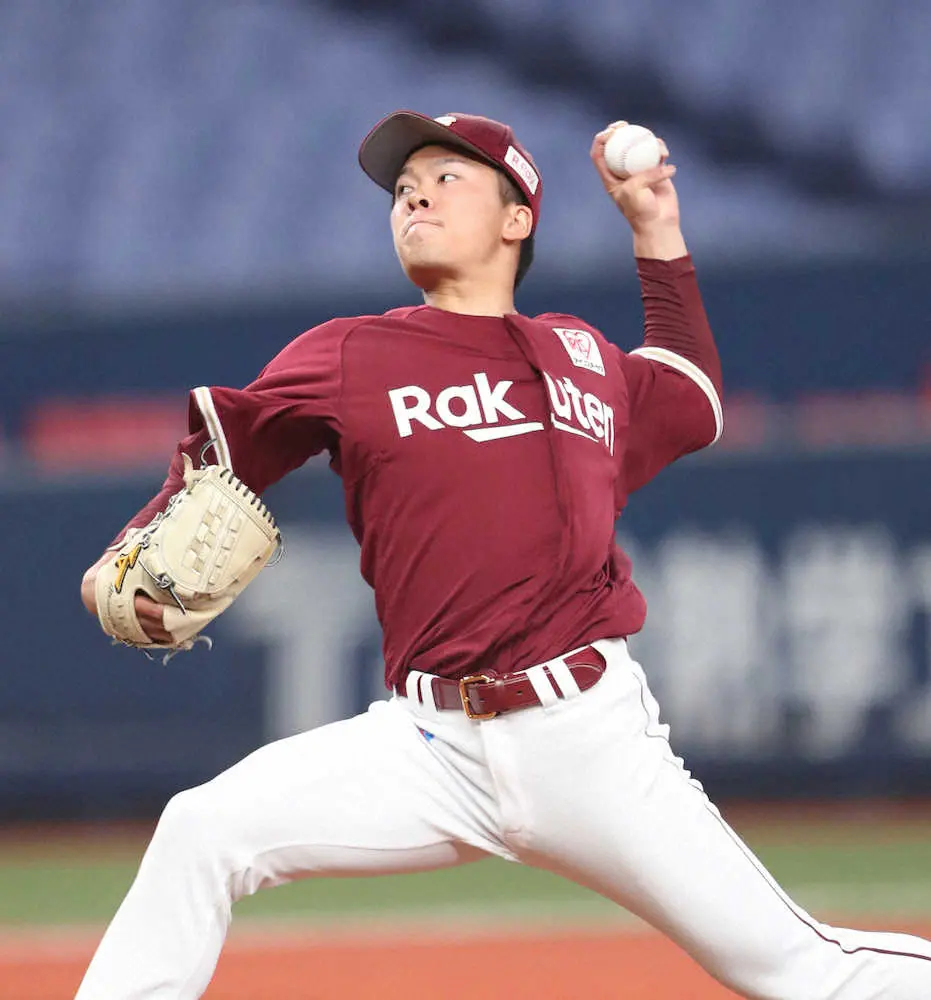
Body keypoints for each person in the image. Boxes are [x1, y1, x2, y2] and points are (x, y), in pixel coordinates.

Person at [76, 111, 931, 999]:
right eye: (403, 188)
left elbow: (691, 396)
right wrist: (123, 553)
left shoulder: (580, 356)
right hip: (427, 744)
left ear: (516, 218)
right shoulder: (350, 354)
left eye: (446, 178)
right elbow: (220, 462)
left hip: (586, 737)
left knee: (794, 969)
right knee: (202, 830)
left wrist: (655, 229)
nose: (414, 196)